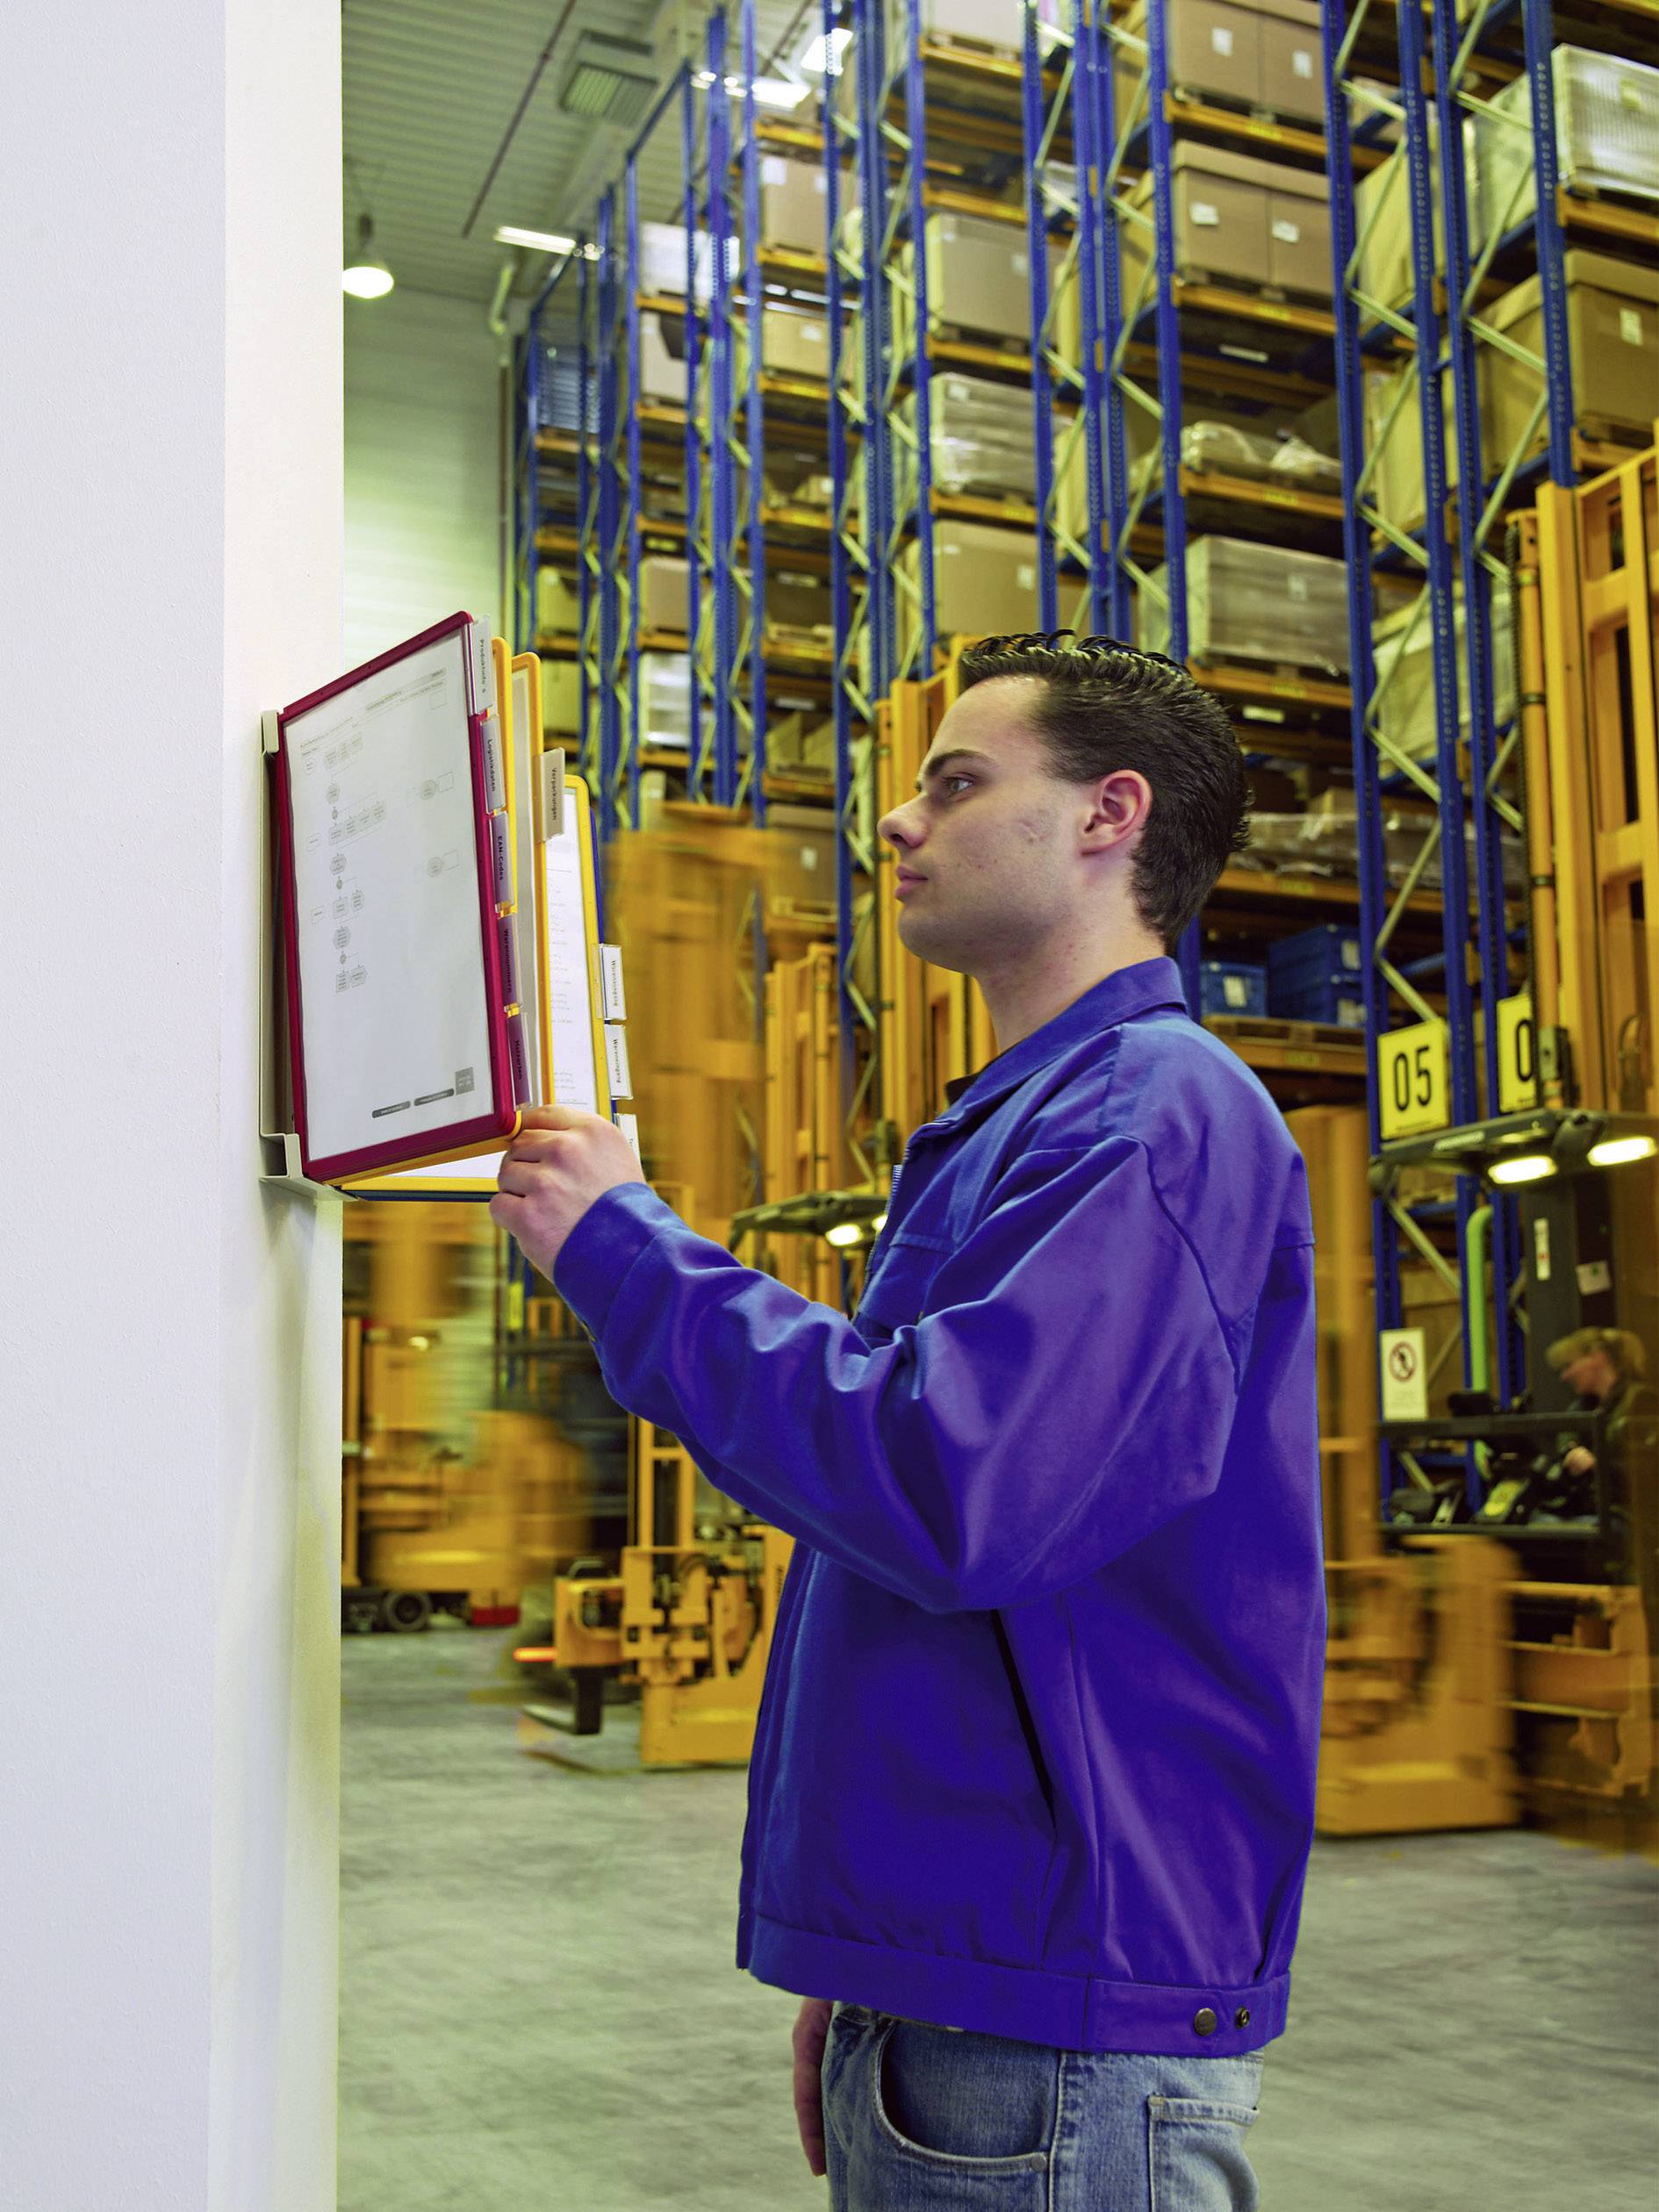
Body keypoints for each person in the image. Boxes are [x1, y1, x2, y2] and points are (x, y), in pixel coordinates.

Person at [492, 634, 1325, 2210]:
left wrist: (628, 1252)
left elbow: (955, 1484)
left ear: (1108, 816)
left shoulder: (1157, 1109)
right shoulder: (1035, 1118)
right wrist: (885, 1945)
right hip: (976, 1984)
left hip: (1056, 2030)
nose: (893, 821)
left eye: (955, 782)